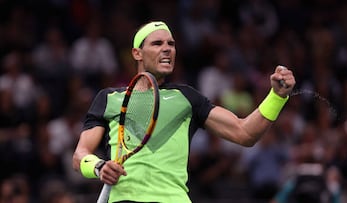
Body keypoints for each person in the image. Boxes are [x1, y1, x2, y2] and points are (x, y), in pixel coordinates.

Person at [72, 21, 296, 202]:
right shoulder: (110, 98)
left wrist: (276, 97)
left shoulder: (186, 98)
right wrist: (99, 166)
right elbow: (80, 154)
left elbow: (244, 133)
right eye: (157, 43)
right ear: (137, 53)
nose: (167, 48)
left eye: (171, 43)